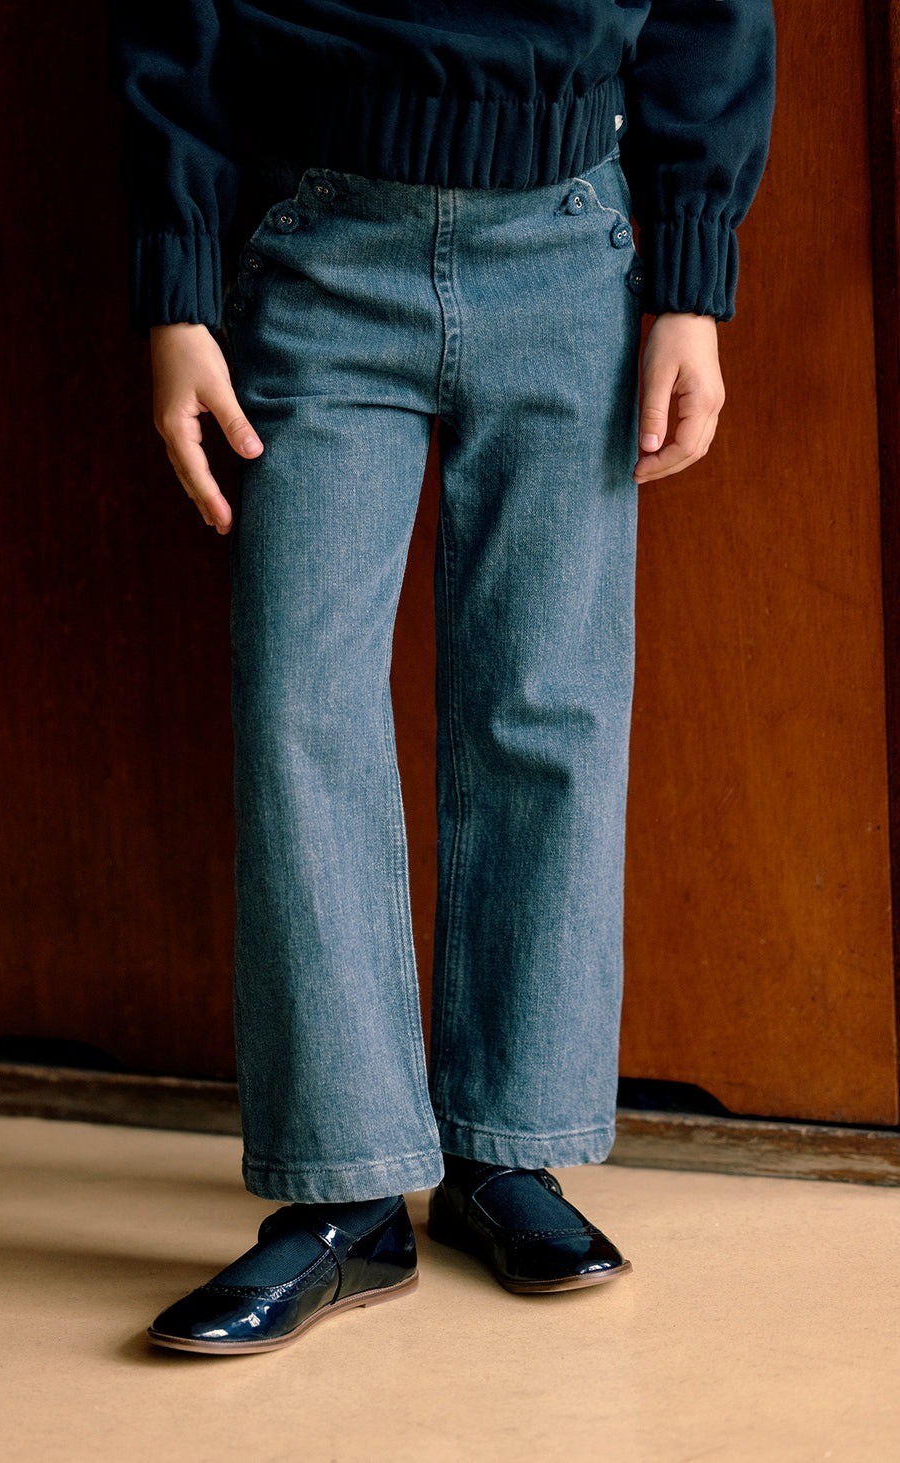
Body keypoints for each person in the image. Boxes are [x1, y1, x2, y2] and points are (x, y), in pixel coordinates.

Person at [106, 0, 776, 1354]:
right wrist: (177, 290)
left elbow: (714, 13)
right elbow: (167, 17)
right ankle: (346, 1195)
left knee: (548, 705)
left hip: (570, 245)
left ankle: (506, 1151)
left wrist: (692, 281)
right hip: (316, 239)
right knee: (300, 710)